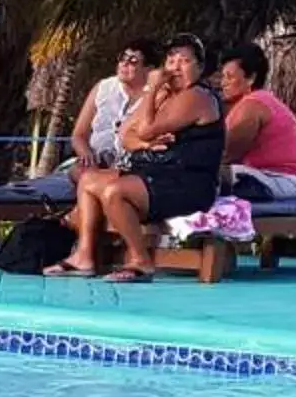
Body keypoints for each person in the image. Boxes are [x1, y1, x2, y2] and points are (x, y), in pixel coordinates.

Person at [51, 33, 224, 282]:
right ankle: (85, 255)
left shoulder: (196, 96)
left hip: (187, 182)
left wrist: (151, 95)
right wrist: (144, 141)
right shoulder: (165, 94)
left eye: (184, 61)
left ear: (199, 67)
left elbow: (144, 128)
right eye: (171, 60)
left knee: (114, 191)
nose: (175, 67)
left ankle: (140, 260)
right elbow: (125, 135)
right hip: (154, 173)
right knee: (88, 180)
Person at [217, 41, 296, 200]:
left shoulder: (252, 106)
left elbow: (228, 154)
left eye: (230, 77)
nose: (223, 83)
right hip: (278, 176)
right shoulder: (256, 101)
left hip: (283, 180)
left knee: (203, 176)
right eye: (223, 77)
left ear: (251, 78)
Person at [70, 38, 157, 172]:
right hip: (95, 160)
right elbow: (79, 134)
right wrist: (86, 154)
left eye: (133, 61)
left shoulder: (154, 97)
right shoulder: (103, 88)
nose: (124, 64)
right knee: (77, 172)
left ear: (149, 69)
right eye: (122, 58)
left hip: (132, 164)